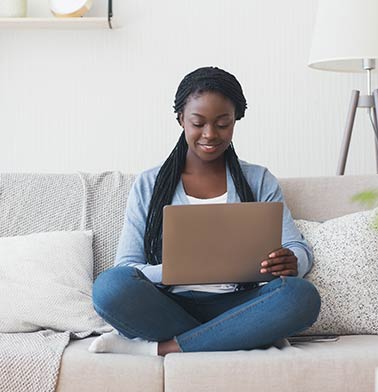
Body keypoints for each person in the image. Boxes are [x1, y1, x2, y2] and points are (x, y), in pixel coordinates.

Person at [89, 66, 321, 356]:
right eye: (198, 123)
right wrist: (176, 270)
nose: (210, 134)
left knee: (300, 296)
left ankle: (163, 348)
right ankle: (241, 335)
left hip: (240, 303)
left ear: (235, 121)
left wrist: (291, 260)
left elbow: (297, 248)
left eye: (223, 123)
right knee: (109, 287)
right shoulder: (149, 183)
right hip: (168, 305)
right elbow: (127, 267)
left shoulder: (258, 179)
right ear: (181, 119)